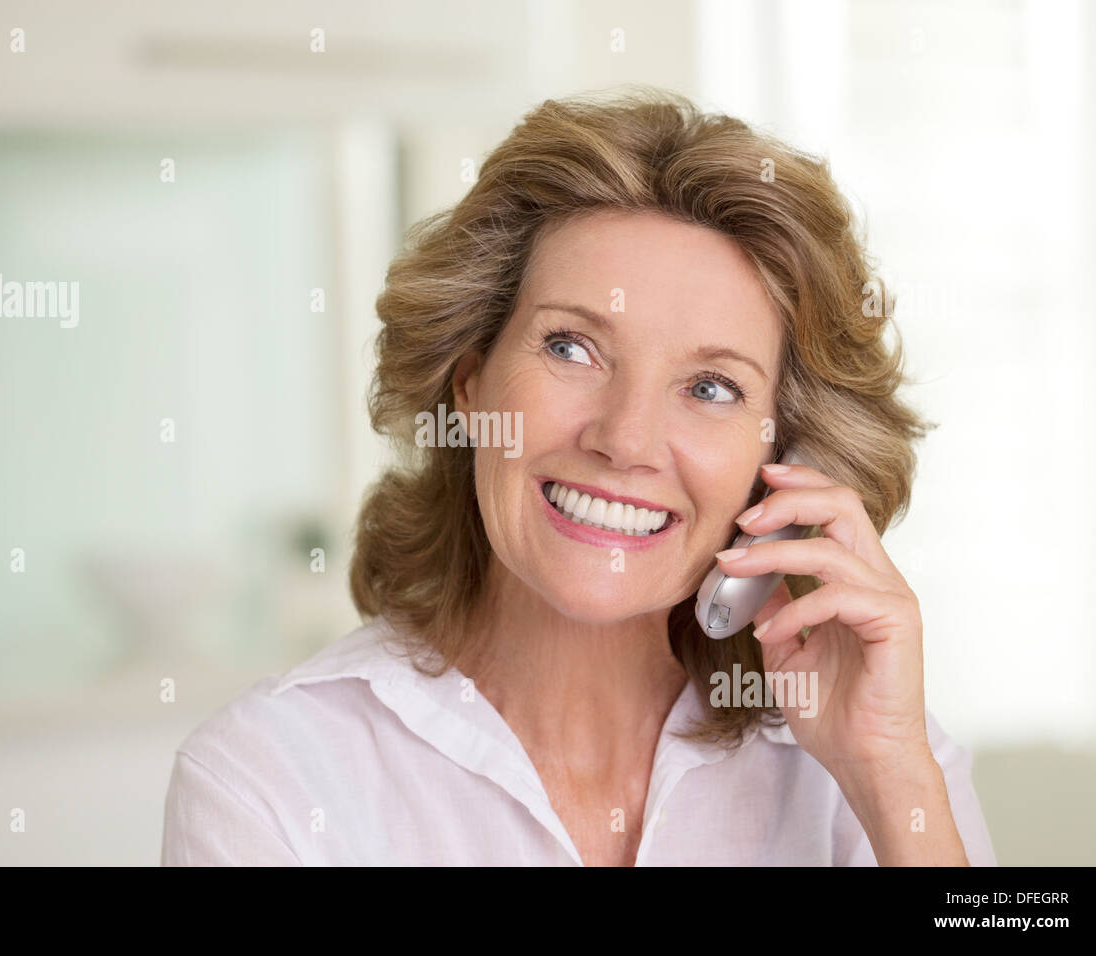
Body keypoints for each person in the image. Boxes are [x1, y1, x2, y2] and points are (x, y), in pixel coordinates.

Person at [162, 86, 998, 866]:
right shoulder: (269, 783)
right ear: (470, 380)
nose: (626, 439)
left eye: (711, 388)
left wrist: (891, 780)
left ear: (782, 466)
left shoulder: (872, 752)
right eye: (572, 347)